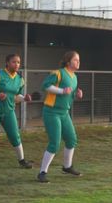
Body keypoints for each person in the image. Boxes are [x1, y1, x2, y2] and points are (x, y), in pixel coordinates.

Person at [37, 51, 83, 183]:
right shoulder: (58, 73)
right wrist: (61, 91)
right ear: (68, 62)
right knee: (55, 143)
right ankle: (42, 172)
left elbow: (70, 95)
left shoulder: (74, 77)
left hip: (64, 112)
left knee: (71, 139)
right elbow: (45, 86)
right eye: (75, 60)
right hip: (51, 112)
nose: (78, 62)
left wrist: (77, 95)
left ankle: (67, 167)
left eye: (79, 60)